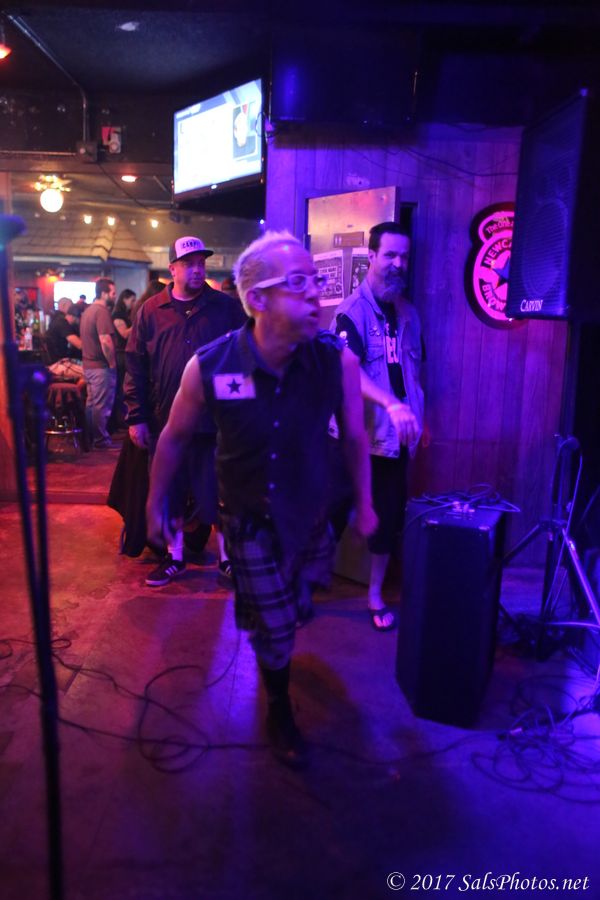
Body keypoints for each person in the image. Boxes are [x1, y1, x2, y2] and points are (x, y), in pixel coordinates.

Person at [146, 230, 377, 769]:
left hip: (310, 514)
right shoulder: (210, 366)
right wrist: (156, 502)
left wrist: (365, 503)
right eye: (298, 283)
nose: (315, 293)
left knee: (294, 611)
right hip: (246, 517)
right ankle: (278, 707)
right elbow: (174, 437)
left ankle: (268, 624)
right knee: (275, 627)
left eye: (315, 280)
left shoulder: (336, 363)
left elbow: (354, 436)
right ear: (257, 299)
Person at [124, 236, 246, 585]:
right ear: (173, 269)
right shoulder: (151, 311)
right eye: (189, 264)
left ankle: (227, 559)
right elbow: (134, 366)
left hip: (216, 421)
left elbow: (243, 357)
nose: (197, 270)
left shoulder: (225, 308)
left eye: (201, 263)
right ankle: (174, 556)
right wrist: (136, 416)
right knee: (172, 489)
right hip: (166, 421)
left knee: (223, 491)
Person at [330, 222, 423, 632]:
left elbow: (413, 374)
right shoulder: (350, 312)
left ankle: (374, 595)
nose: (398, 264)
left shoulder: (410, 314)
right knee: (328, 518)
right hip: (352, 438)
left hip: (394, 441)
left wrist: (415, 415)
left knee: (386, 521)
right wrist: (391, 403)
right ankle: (299, 589)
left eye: (404, 256)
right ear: (372, 256)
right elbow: (348, 372)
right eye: (390, 255)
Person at [80, 277, 117, 449]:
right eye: (113, 293)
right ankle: (100, 440)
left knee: (92, 405)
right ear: (103, 294)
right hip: (100, 368)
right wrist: (112, 363)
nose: (115, 296)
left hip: (88, 366)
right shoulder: (101, 312)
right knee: (101, 406)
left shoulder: (88, 311)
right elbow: (105, 341)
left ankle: (91, 440)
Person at [111, 289, 137, 428]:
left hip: (123, 353)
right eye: (132, 300)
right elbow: (125, 334)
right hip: (121, 354)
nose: (133, 303)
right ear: (124, 299)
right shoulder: (118, 315)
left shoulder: (124, 315)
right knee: (122, 388)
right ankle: (120, 421)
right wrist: (138, 323)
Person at [44, 297, 83, 380]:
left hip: (58, 363)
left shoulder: (55, 319)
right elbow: (78, 344)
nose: (72, 309)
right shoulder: (61, 321)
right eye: (71, 306)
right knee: (92, 373)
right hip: (60, 364)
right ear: (64, 305)